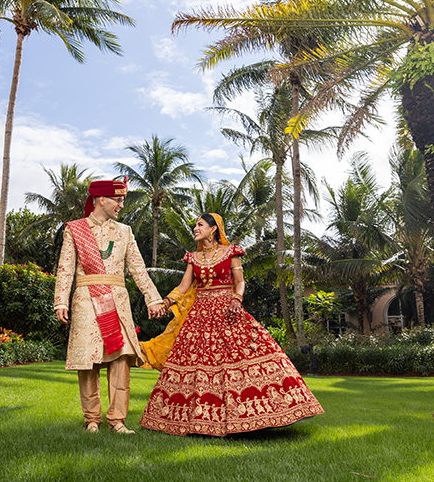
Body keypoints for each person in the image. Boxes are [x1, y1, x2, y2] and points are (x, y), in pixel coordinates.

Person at [140, 213, 324, 436]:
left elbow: (240, 282)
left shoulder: (231, 252)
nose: (195, 229)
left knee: (240, 358)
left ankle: (257, 415)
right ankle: (199, 419)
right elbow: (184, 286)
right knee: (197, 364)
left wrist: (237, 299)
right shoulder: (192, 258)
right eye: (195, 225)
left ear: (213, 229)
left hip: (228, 311)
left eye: (200, 225)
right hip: (199, 316)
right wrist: (166, 302)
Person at [54, 178, 167, 434]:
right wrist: (60, 300)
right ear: (101, 199)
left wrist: (153, 297)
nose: (121, 205)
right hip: (85, 301)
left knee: (120, 360)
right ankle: (91, 419)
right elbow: (65, 268)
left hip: (117, 301)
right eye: (118, 200)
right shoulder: (75, 229)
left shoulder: (125, 231)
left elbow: (137, 268)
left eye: (122, 200)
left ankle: (117, 420)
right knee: (88, 361)